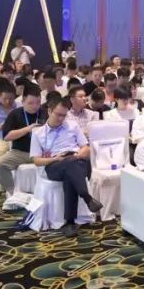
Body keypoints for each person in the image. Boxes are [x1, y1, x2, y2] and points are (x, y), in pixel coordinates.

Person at [30, 95, 103, 235]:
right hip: (54, 165)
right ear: (49, 111)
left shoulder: (72, 126)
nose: (61, 119)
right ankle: (86, 197)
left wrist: (78, 155)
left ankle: (70, 222)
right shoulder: (38, 133)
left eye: (64, 115)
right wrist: (55, 159)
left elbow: (85, 148)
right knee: (70, 166)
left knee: (70, 169)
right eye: (58, 114)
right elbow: (36, 161)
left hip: (76, 159)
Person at [0, 91, 46, 196]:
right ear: (23, 101)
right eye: (31, 103)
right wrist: (27, 129)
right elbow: (6, 137)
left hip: (42, 152)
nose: (35, 106)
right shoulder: (15, 114)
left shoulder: (45, 113)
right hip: (20, 152)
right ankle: (13, 192)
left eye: (38, 103)